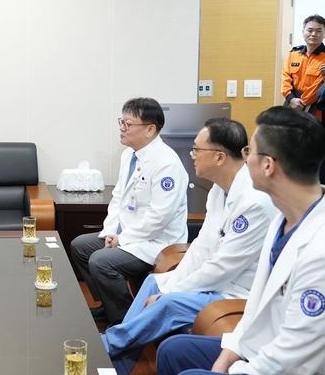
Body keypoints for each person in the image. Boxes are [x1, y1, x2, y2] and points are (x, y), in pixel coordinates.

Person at [157, 106, 325, 375]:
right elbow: (256, 306)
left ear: (268, 165)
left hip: (282, 366)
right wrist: (229, 354)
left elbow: (293, 358)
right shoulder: (281, 221)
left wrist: (231, 370)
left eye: (249, 152)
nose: (244, 159)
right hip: (257, 346)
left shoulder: (318, 253)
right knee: (173, 350)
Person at [102, 118, 277, 374]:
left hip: (235, 291)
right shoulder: (219, 190)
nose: (192, 155)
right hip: (217, 281)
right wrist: (169, 286)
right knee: (154, 282)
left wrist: (171, 293)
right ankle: (116, 363)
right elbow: (201, 248)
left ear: (219, 157)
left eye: (197, 149)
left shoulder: (254, 203)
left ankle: (108, 345)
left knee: (168, 303)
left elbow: (223, 267)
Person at [71, 97, 189, 325]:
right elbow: (118, 198)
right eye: (121, 122)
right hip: (129, 235)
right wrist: (110, 232)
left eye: (128, 124)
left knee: (101, 261)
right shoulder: (129, 155)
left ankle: (125, 320)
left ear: (150, 129)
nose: (122, 128)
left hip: (157, 242)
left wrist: (123, 239)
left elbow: (160, 217)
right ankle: (107, 305)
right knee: (81, 246)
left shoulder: (167, 164)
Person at [282, 14, 325, 120]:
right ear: (303, 32)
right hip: (292, 104)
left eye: (319, 31)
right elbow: (285, 78)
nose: (314, 34)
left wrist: (302, 102)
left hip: (316, 107)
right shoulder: (294, 54)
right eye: (310, 30)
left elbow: (318, 85)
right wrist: (291, 98)